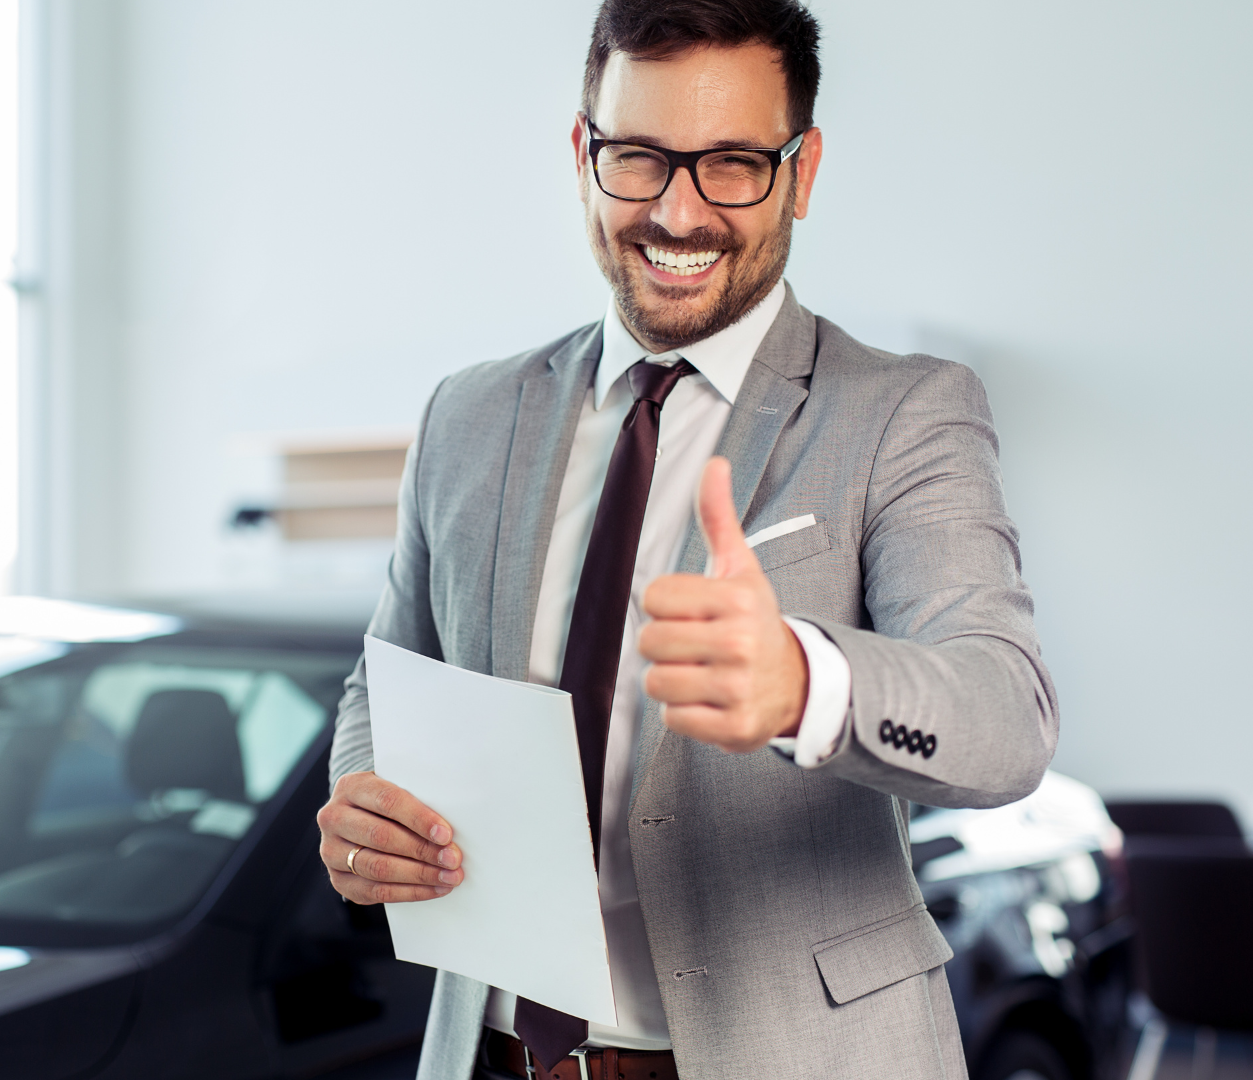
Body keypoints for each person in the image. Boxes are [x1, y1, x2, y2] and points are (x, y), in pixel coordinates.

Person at [318, 0, 1058, 1077]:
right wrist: (365, 808)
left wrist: (807, 683)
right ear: (583, 153)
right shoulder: (467, 416)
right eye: (640, 158)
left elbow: (1006, 714)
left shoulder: (904, 412)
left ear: (800, 173)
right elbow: (384, 684)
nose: (678, 212)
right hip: (494, 1052)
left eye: (731, 166)